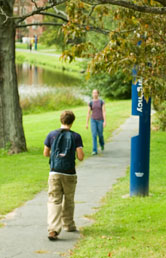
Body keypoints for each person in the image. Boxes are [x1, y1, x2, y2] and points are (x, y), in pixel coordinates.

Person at [43, 111, 84, 241]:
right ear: (72, 121)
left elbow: (45, 153)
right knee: (69, 199)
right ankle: (68, 224)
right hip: (70, 173)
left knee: (54, 200)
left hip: (54, 172)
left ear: (61, 120)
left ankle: (53, 230)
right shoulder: (76, 136)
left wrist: (56, 157)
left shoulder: (51, 134)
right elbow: (80, 157)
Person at [86, 89, 106, 155]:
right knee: (94, 135)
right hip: (93, 120)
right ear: (92, 94)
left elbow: (104, 111)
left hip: (100, 120)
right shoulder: (90, 103)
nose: (94, 94)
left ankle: (102, 144)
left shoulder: (101, 102)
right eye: (93, 93)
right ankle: (94, 150)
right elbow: (88, 113)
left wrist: (104, 121)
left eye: (96, 93)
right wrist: (87, 123)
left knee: (100, 135)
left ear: (98, 94)